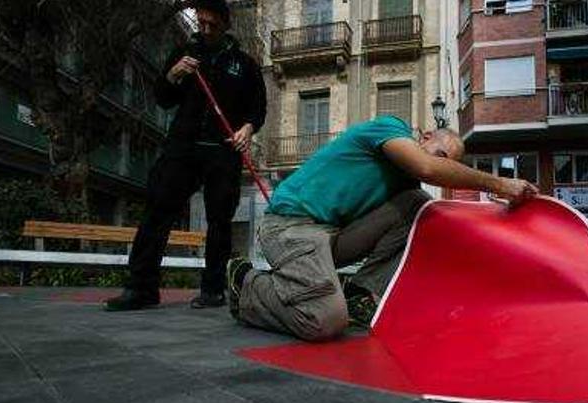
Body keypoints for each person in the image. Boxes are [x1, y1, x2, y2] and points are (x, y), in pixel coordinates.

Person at [226, 115, 538, 341]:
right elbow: (427, 167)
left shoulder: (406, 187)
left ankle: (360, 291)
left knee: (419, 205)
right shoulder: (390, 127)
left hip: (331, 237)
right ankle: (247, 283)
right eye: (443, 156)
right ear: (425, 136)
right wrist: (498, 183)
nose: (442, 167)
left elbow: (432, 228)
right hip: (289, 227)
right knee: (324, 321)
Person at [105, 0, 267, 311]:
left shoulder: (244, 64)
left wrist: (247, 128)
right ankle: (141, 288)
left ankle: (212, 290)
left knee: (220, 221)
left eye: (212, 25)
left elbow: (257, 109)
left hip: (224, 151)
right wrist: (174, 74)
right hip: (182, 148)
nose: (205, 30)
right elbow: (163, 99)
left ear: (225, 24)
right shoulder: (184, 53)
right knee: (157, 212)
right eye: (201, 23)